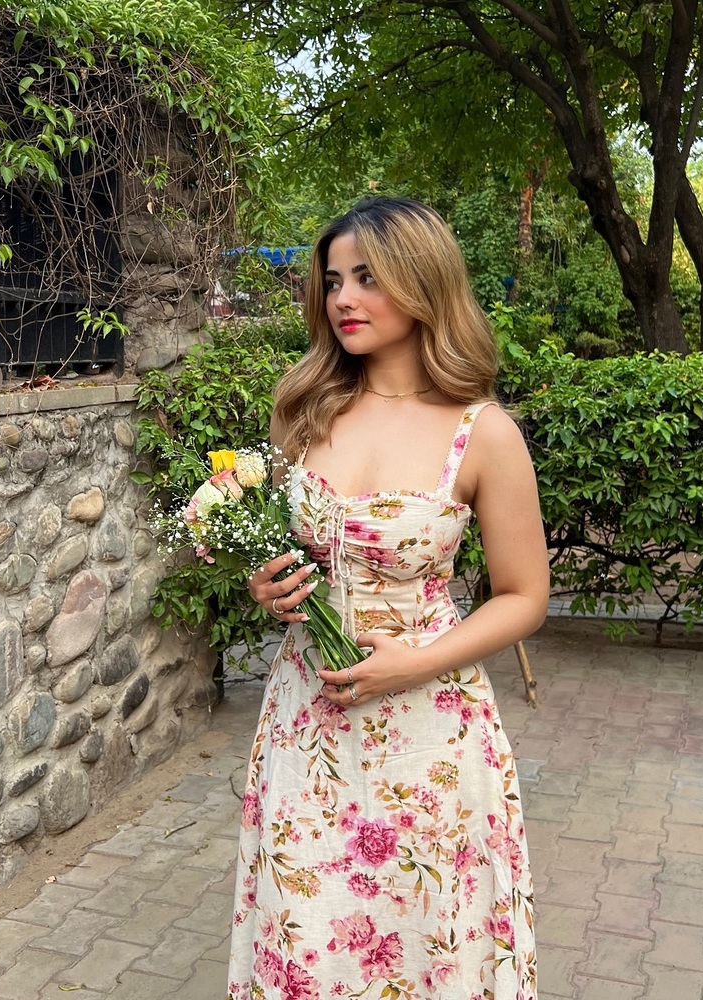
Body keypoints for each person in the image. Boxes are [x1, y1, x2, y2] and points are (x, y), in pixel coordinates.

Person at [226, 197, 550, 1000]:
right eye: (333, 280)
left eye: (368, 278)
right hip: (308, 725)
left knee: (425, 936)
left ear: (422, 280)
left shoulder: (483, 431)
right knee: (306, 937)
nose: (343, 298)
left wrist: (414, 663)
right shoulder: (304, 410)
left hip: (431, 733)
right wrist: (265, 587)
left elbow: (525, 595)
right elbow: (283, 550)